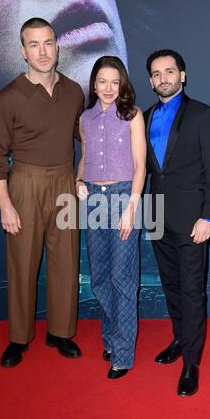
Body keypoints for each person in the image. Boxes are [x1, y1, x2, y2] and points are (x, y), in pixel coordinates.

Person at [0, 18, 84, 367]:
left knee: (66, 262)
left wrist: (82, 176)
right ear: (22, 51)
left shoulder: (74, 91)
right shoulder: (8, 97)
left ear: (58, 46)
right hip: (24, 183)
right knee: (22, 264)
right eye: (34, 44)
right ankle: (18, 338)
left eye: (48, 43)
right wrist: (5, 206)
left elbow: (83, 138)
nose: (43, 52)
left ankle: (59, 332)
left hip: (65, 183)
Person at [144, 49, 210, 395]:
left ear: (183, 75)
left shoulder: (203, 115)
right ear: (151, 80)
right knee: (171, 286)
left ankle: (191, 363)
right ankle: (180, 338)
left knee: (192, 291)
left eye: (169, 71)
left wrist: (209, 215)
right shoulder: (145, 116)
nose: (163, 78)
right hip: (157, 217)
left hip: (193, 220)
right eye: (156, 73)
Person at [76, 56, 146, 379]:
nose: (108, 88)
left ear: (122, 85)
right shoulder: (85, 119)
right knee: (101, 277)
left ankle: (123, 354)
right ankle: (110, 337)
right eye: (102, 81)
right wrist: (78, 182)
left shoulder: (132, 116)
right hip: (91, 200)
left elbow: (140, 165)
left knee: (122, 279)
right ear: (93, 84)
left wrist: (131, 207)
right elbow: (86, 157)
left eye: (114, 82)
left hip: (122, 199)